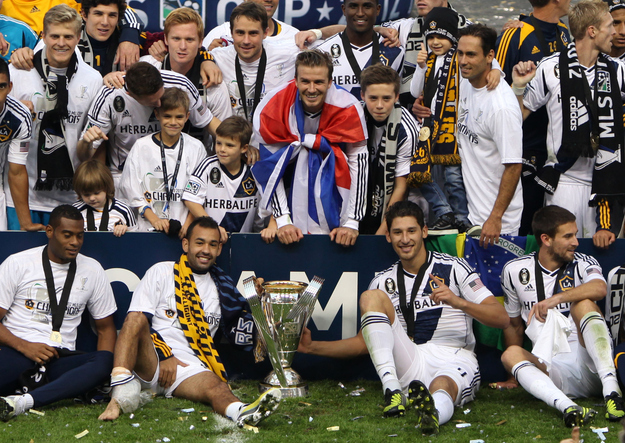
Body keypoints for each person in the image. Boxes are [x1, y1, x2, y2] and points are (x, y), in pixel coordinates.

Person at [298, 200, 509, 434]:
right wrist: (311, 347)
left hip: (454, 356)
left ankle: (433, 414)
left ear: (424, 232)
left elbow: (501, 318)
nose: (405, 239)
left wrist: (456, 301)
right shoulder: (383, 279)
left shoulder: (454, 268)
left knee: (442, 385)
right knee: (371, 296)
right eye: (397, 232)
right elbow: (364, 342)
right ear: (388, 236)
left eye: (411, 231)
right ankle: (393, 390)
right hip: (410, 359)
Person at [97, 216, 281, 427]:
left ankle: (241, 412)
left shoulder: (224, 290)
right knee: (134, 319)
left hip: (187, 368)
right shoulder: (162, 271)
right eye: (199, 242)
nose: (206, 250)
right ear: (186, 244)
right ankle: (118, 397)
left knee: (217, 386)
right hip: (151, 359)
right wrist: (164, 354)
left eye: (213, 244)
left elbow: (244, 335)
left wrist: (261, 307)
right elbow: (137, 321)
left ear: (219, 250)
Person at [498, 205, 625, 426]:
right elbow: (514, 325)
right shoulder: (514, 270)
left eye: (575, 234)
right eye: (568, 236)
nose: (576, 241)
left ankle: (612, 391)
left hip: (590, 363)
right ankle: (568, 407)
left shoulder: (583, 262)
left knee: (582, 305)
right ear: (546, 239)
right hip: (551, 370)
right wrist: (512, 376)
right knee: (510, 355)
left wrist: (556, 299)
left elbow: (599, 288)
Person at [511, 0, 625, 242]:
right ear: (592, 31)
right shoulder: (550, 67)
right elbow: (515, 117)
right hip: (563, 181)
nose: (614, 32)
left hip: (604, 184)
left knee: (598, 260)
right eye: (609, 25)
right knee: (562, 255)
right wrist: (518, 87)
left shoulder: (618, 70)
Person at [0, 204, 117, 420]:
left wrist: (101, 371)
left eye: (80, 236)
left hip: (59, 359)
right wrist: (25, 347)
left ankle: (23, 401)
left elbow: (106, 328)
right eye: (67, 235)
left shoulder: (92, 269)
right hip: (19, 352)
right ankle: (42, 392)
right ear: (50, 232)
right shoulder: (18, 263)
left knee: (104, 362)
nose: (75, 243)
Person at [251, 49, 368, 247]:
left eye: (319, 82)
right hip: (286, 177)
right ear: (295, 80)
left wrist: (352, 221)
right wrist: (282, 220)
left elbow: (359, 163)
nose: (312, 89)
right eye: (305, 81)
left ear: (330, 82)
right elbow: (270, 166)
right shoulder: (272, 107)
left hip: (334, 182)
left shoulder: (348, 106)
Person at [7, 4, 103, 229]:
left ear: (79, 37)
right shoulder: (18, 72)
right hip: (21, 197)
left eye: (68, 36)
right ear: (43, 35)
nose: (61, 43)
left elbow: (91, 145)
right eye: (55, 36)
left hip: (73, 198)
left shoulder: (93, 79)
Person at [77, 61, 219, 188]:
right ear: (130, 94)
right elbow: (83, 155)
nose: (159, 105)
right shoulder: (110, 95)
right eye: (152, 102)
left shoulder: (181, 84)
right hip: (125, 175)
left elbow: (210, 122)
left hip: (173, 172)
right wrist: (86, 142)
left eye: (160, 96)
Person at [495, 0, 570, 236]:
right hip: (523, 146)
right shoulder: (515, 34)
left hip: (557, 151)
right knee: (524, 222)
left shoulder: (566, 33)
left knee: (551, 226)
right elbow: (493, 87)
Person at [408, 8, 483, 236]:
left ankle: (461, 217)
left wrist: (496, 72)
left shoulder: (460, 61)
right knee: (419, 172)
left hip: (452, 129)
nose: (435, 42)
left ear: (452, 37)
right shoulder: (428, 61)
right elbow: (413, 91)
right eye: (430, 37)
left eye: (440, 36)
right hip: (429, 128)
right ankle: (444, 211)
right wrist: (420, 68)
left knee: (453, 178)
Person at [455, 24, 523, 247]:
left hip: (496, 224)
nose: (463, 61)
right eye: (460, 53)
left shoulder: (501, 107)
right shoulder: (467, 79)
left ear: (489, 56)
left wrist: (495, 218)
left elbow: (513, 166)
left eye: (471, 54)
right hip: (469, 212)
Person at [139, 8, 231, 151]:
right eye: (176, 39)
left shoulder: (213, 83)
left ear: (201, 42)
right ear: (165, 39)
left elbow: (224, 133)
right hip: (150, 160)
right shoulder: (148, 68)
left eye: (189, 39)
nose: (182, 46)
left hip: (197, 164)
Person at [119, 87, 207, 237]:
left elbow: (199, 193)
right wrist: (154, 220)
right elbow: (130, 189)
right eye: (167, 116)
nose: (173, 122)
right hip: (147, 229)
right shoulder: (141, 146)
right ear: (157, 114)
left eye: (179, 117)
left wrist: (188, 224)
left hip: (184, 230)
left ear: (187, 116)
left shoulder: (196, 148)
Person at [208, 2, 297, 123]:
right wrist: (205, 60)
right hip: (231, 138)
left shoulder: (289, 54)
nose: (246, 41)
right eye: (240, 33)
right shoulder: (217, 57)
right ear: (231, 32)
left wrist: (317, 33)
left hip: (270, 139)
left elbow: (328, 48)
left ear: (265, 33)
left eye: (253, 33)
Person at [359, 64, 417, 235]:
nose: (379, 105)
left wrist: (382, 231)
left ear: (397, 97)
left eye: (386, 98)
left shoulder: (407, 130)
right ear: (362, 95)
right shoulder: (353, 117)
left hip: (390, 203)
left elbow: (401, 186)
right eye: (373, 98)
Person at [2, 0, 142, 71]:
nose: (105, 21)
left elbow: (118, 8)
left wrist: (129, 37)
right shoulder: (3, 5)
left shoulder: (71, 2)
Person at [183, 116, 261, 236]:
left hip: (244, 242)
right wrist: (213, 226)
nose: (222, 149)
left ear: (244, 148)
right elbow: (190, 199)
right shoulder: (208, 165)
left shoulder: (254, 170)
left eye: (229, 145)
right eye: (219, 143)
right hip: (212, 241)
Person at [314, 0, 404, 100]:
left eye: (367, 6)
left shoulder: (395, 53)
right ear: (344, 9)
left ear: (377, 10)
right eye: (353, 6)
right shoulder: (322, 52)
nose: (360, 13)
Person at [0, 57, 39, 231]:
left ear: (10, 87)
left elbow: (16, 172)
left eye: (1, 87)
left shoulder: (19, 117)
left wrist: (25, 223)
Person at [72, 159, 136, 236]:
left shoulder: (124, 210)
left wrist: (126, 230)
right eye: (86, 194)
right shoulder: (75, 211)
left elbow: (136, 238)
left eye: (96, 193)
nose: (92, 198)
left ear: (106, 188)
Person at [203, 0, 299, 50]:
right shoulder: (218, 34)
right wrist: (208, 58)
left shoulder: (294, 37)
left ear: (265, 33)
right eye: (240, 33)